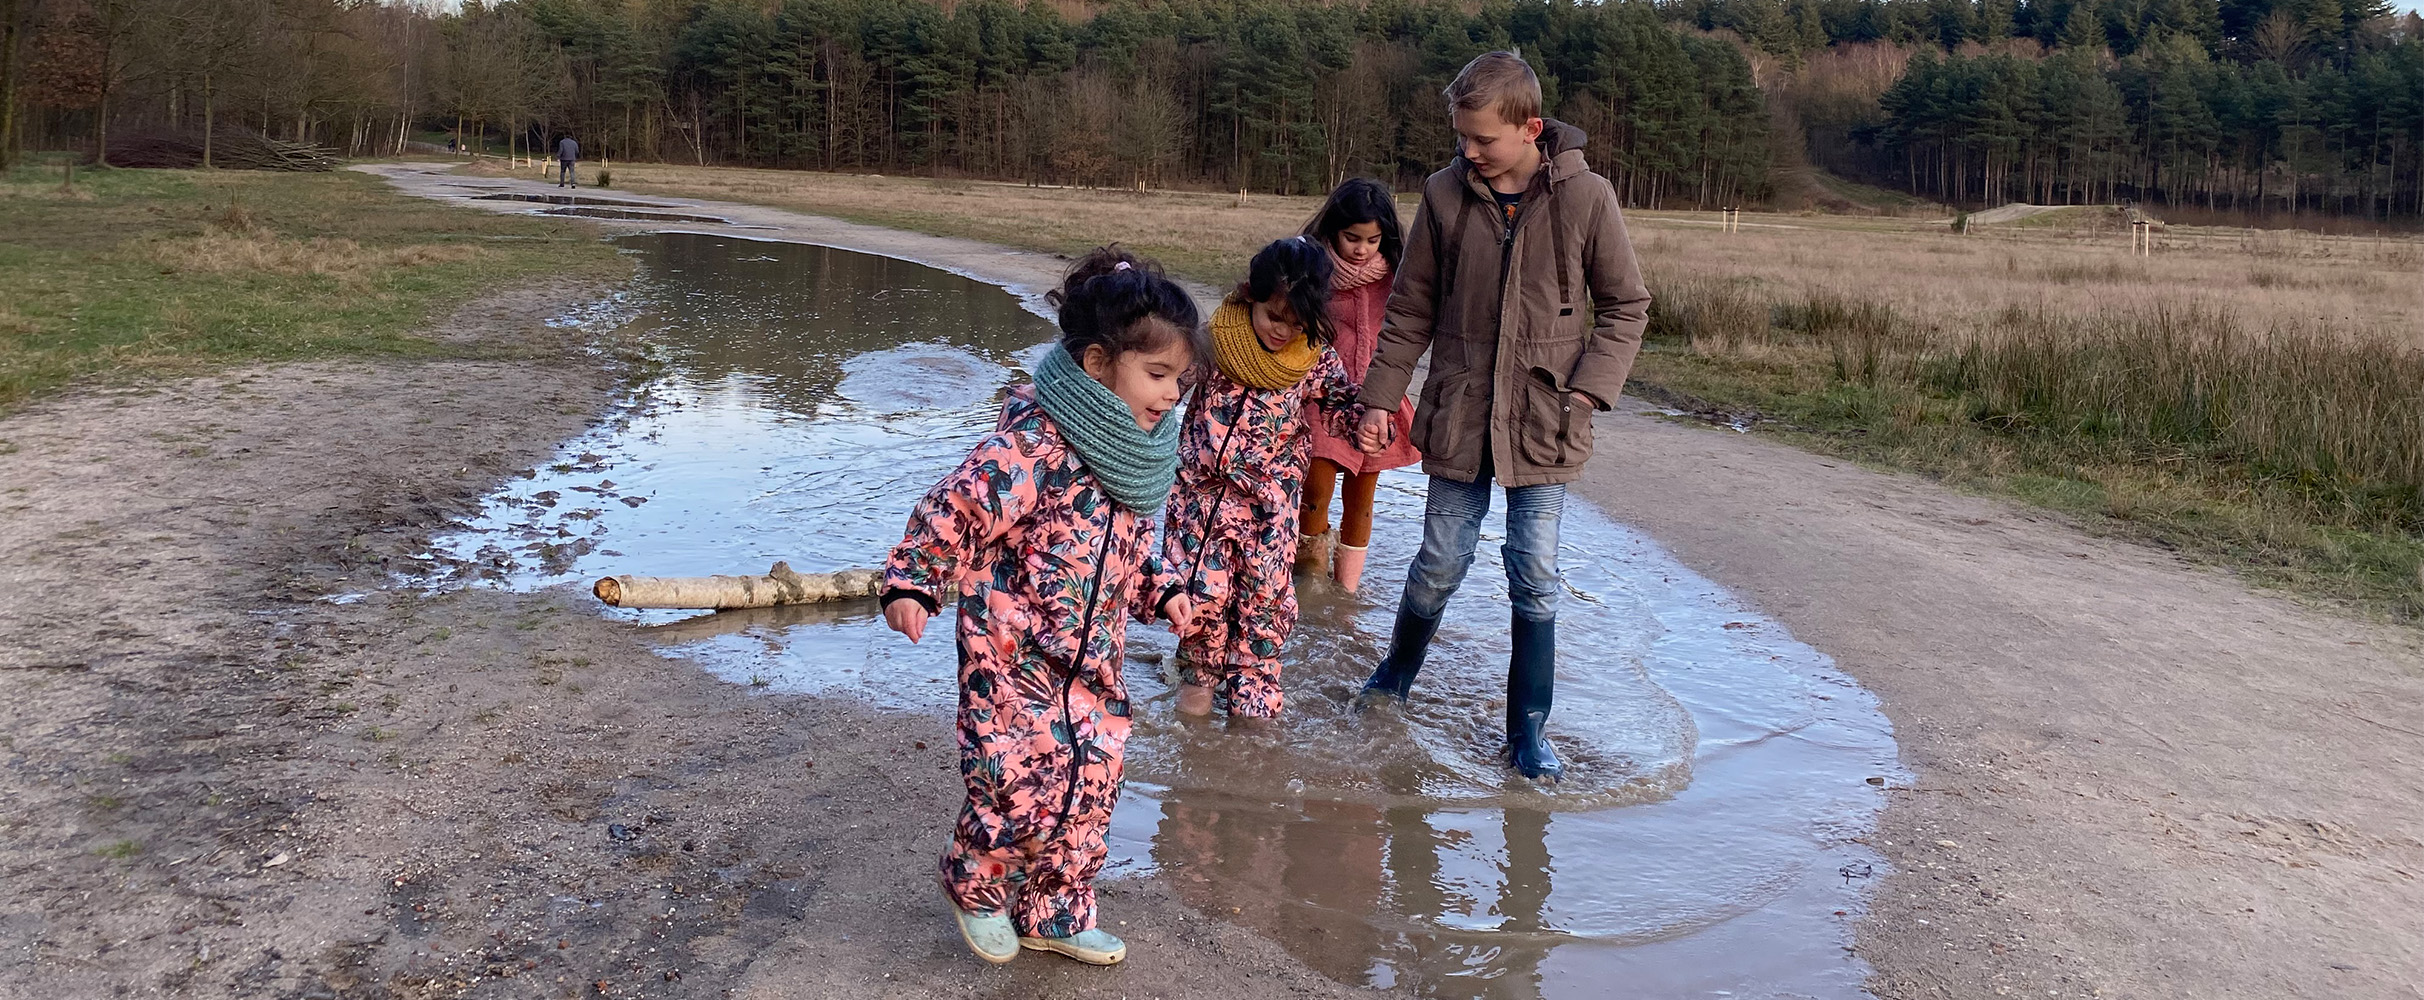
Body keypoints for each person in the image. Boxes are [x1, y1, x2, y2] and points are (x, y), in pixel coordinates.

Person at [881, 247, 1203, 966]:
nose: (1170, 395)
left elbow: (1129, 549)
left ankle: (1055, 911)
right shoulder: (1034, 446)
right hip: (1013, 658)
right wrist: (913, 582)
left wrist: (1164, 590)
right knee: (1016, 784)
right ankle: (977, 886)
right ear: (1096, 365)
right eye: (1156, 376)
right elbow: (954, 509)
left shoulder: (1131, 456)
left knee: (1091, 788)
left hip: (1092, 666)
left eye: (1179, 381)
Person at [1352, 50, 1652, 781]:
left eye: (1482, 139)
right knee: (1439, 563)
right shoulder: (1443, 196)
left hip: (1546, 422)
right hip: (1458, 414)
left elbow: (1626, 306)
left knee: (1535, 573)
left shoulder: (1588, 198)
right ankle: (1394, 676)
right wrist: (1379, 401)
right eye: (1461, 137)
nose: (1469, 152)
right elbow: (1410, 309)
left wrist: (1586, 390)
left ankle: (1528, 732)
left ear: (1530, 128)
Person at [1157, 237, 1364, 720]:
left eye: (1298, 324)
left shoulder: (1313, 358)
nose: (1284, 332)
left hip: (1269, 514)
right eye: (1275, 317)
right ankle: (1195, 713)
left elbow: (1340, 409)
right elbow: (1163, 386)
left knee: (1264, 611)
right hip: (1198, 505)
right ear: (1251, 295)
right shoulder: (1212, 343)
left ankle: (1254, 716)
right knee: (1199, 609)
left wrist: (1368, 423)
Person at [1295, 178, 1419, 593]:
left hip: (1378, 400)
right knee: (1316, 489)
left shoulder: (1399, 274)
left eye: (1372, 239)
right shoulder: (1311, 269)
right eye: (1352, 238)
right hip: (1323, 400)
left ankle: (1346, 592)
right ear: (1333, 230)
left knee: (1361, 500)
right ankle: (1309, 585)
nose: (1362, 248)